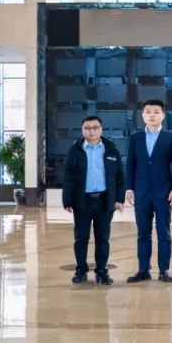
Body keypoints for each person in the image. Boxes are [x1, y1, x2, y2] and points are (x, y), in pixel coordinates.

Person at [125, 99, 172, 284]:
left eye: (156, 112)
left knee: (164, 232)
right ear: (142, 115)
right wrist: (129, 188)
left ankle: (164, 270)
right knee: (143, 232)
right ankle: (143, 270)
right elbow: (130, 165)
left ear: (163, 115)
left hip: (164, 191)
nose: (152, 115)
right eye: (148, 111)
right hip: (141, 192)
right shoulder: (135, 138)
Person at [62, 116, 124, 285]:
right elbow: (68, 176)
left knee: (103, 238)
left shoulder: (111, 149)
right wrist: (67, 200)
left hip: (104, 200)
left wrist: (119, 199)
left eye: (95, 127)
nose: (91, 131)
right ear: (82, 130)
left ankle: (102, 272)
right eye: (87, 128)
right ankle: (81, 271)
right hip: (82, 201)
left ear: (101, 129)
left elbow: (119, 176)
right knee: (81, 238)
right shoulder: (75, 150)